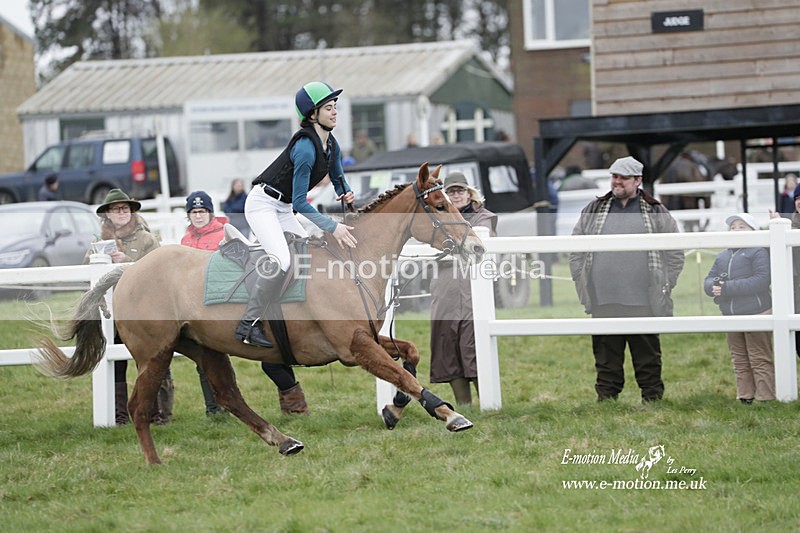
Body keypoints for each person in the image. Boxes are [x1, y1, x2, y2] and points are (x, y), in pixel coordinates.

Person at [241, 81, 356, 413]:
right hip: (263, 205)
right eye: (330, 107)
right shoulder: (305, 148)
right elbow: (301, 204)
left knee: (304, 257)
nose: (336, 111)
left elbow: (338, 177)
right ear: (313, 113)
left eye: (336, 106)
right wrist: (333, 227)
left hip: (283, 208)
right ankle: (248, 324)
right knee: (280, 260)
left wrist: (345, 191)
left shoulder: (329, 143)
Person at [569, 156, 685, 403]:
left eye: (623, 177)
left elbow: (675, 252)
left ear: (637, 181)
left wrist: (666, 284)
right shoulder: (595, 208)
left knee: (647, 353)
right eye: (614, 176)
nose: (617, 181)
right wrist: (581, 281)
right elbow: (575, 248)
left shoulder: (655, 210)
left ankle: (652, 398)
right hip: (603, 296)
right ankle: (607, 399)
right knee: (605, 353)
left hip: (643, 297)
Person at [92, 188, 173, 425]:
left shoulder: (146, 238)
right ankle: (119, 416)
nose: (121, 213)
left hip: (145, 310)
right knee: (116, 363)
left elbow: (159, 271)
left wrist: (125, 263)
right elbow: (88, 271)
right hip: (112, 312)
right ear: (107, 213)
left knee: (154, 359)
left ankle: (158, 414)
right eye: (116, 209)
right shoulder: (100, 242)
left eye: (125, 208)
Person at [429, 172, 497, 405]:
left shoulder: (483, 217)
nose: (456, 195)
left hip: (473, 291)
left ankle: (487, 402)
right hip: (445, 291)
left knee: (473, 346)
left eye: (460, 190)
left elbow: (477, 244)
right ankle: (464, 406)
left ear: (470, 193)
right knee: (447, 347)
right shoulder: (437, 217)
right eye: (451, 191)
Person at [704, 213, 774, 403]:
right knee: (739, 357)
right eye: (733, 227)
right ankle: (745, 395)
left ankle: (766, 396)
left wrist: (726, 288)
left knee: (759, 356)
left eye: (742, 226)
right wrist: (712, 287)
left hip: (757, 312)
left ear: (753, 231)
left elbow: (761, 280)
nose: (736, 230)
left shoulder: (758, 252)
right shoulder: (723, 255)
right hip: (730, 314)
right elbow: (709, 279)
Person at [179, 191, 229, 415]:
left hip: (218, 302)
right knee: (203, 360)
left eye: (202, 211)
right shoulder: (185, 240)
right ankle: (213, 408)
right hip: (193, 306)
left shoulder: (223, 235)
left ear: (210, 213)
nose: (198, 216)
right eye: (194, 212)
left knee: (220, 358)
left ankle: (225, 403)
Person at [769, 184, 800, 358]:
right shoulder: (788, 227)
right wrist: (776, 225)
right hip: (796, 296)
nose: (799, 202)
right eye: (797, 198)